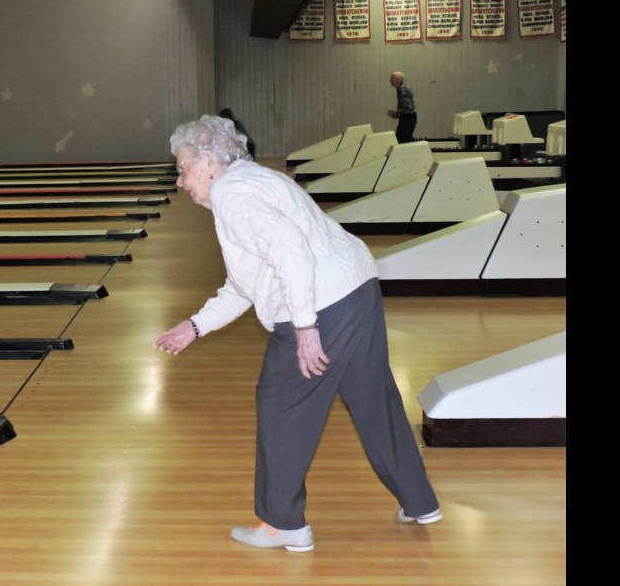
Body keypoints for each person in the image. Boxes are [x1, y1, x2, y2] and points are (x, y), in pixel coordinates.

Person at [153, 115, 440, 553]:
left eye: (182, 168)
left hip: (320, 305)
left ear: (208, 162)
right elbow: (244, 284)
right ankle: (420, 501)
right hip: (357, 289)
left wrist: (306, 327)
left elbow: (290, 251)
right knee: (374, 399)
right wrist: (194, 326)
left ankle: (282, 524)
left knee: (280, 406)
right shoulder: (252, 180)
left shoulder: (233, 194)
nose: (180, 181)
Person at [387, 71, 417, 143]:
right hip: (406, 117)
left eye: (392, 78)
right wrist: (398, 114)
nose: (390, 80)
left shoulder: (403, 89)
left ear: (398, 79)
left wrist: (395, 111)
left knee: (403, 140)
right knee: (401, 138)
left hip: (408, 118)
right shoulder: (399, 89)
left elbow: (408, 108)